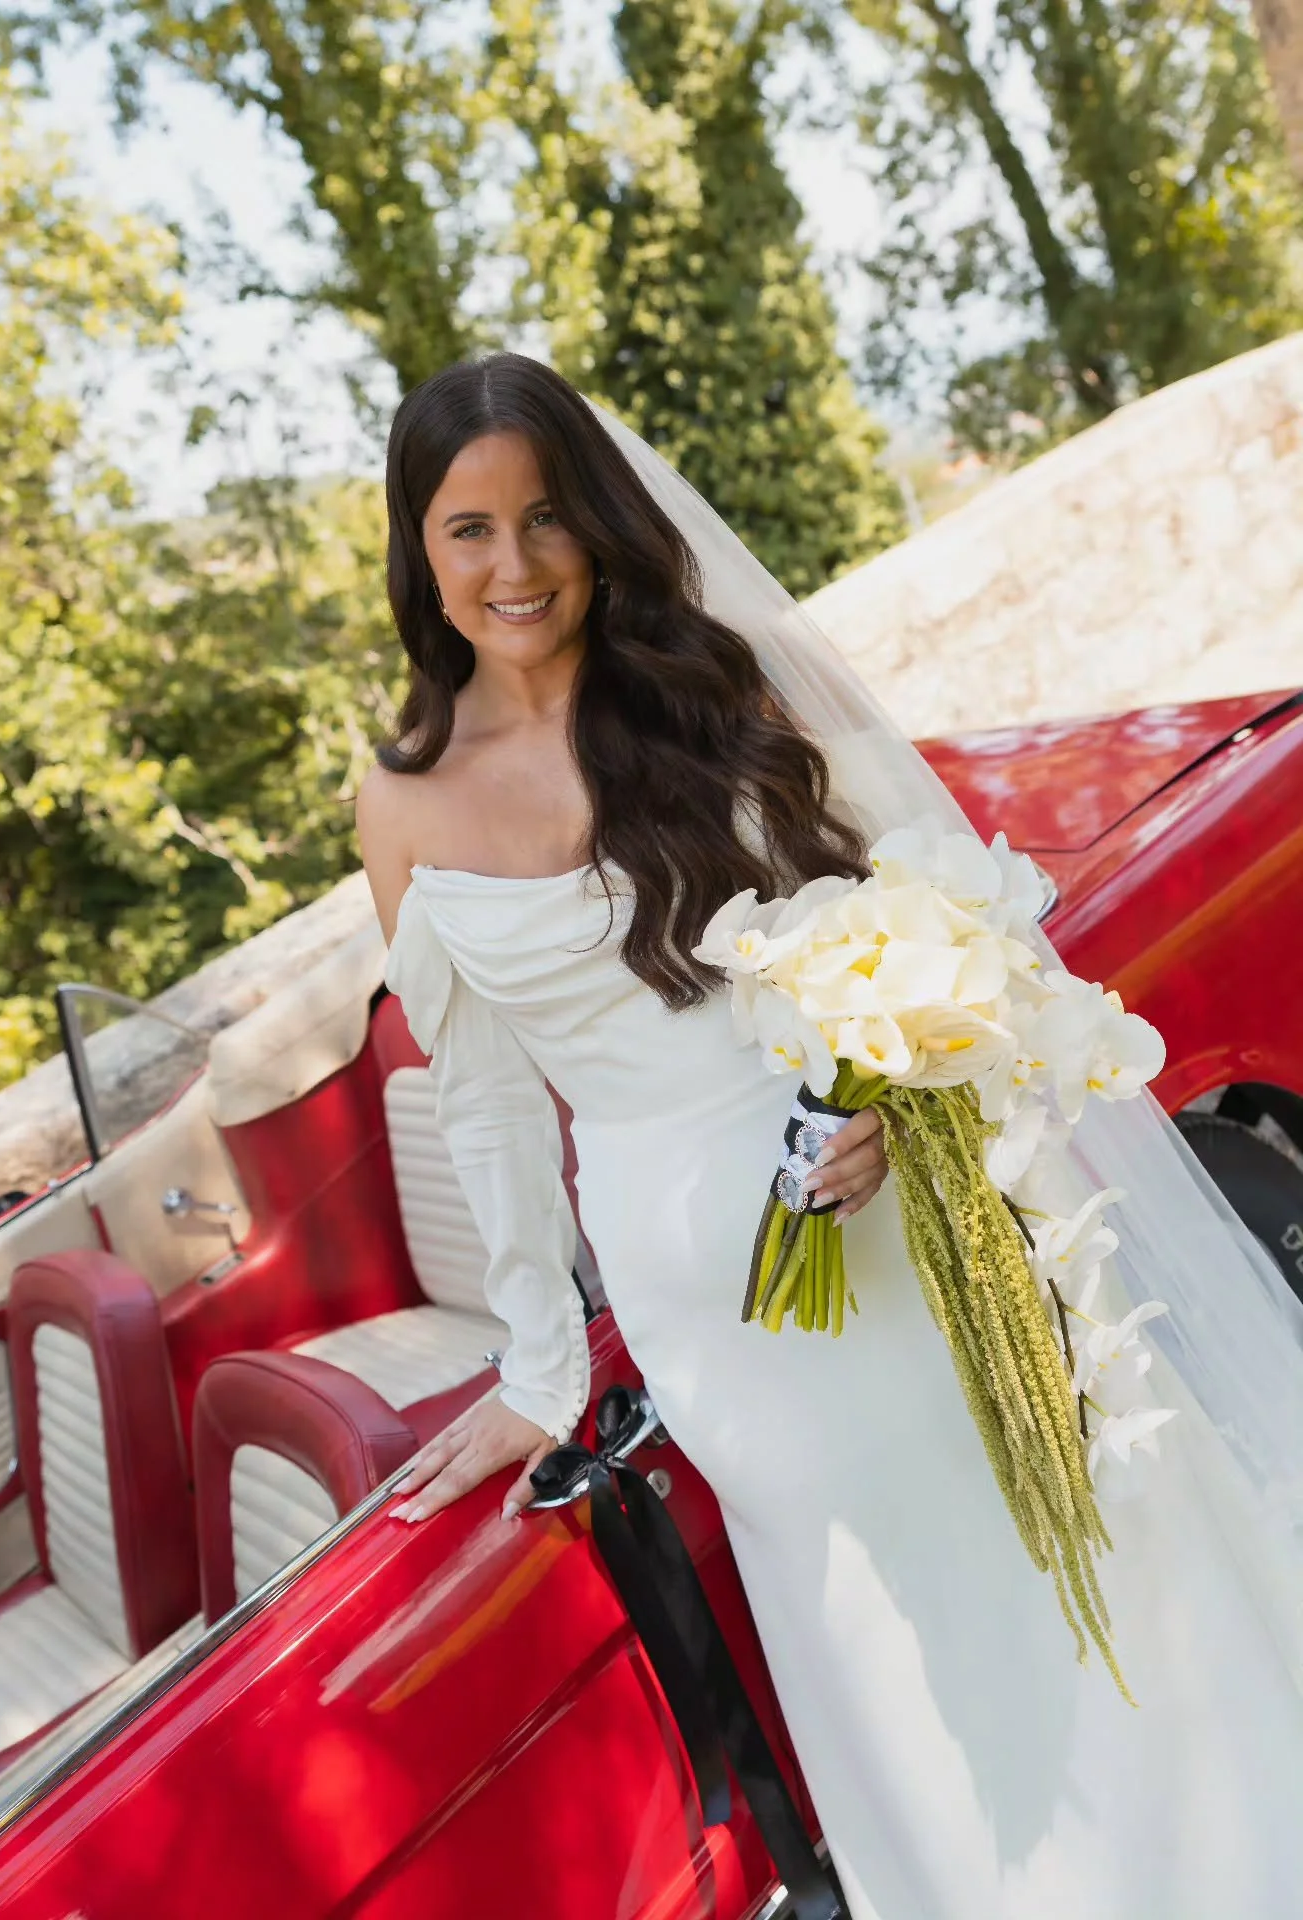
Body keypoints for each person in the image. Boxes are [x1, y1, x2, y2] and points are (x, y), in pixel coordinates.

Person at [358, 352, 1303, 1919]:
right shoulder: (401, 804)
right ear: (419, 548)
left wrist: (902, 1093)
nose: (513, 567)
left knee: (1076, 1538)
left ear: (597, 525)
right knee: (886, 1636)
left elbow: (936, 918)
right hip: (723, 1325)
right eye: (469, 529)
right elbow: (486, 1104)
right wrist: (538, 1365)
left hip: (903, 1220)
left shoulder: (721, 689)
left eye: (544, 520)